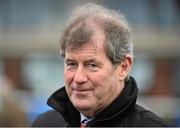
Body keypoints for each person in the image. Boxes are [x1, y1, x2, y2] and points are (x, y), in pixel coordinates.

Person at [32, 3, 172, 127]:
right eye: (72, 64)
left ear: (124, 67)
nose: (78, 78)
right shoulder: (45, 124)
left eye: (92, 65)